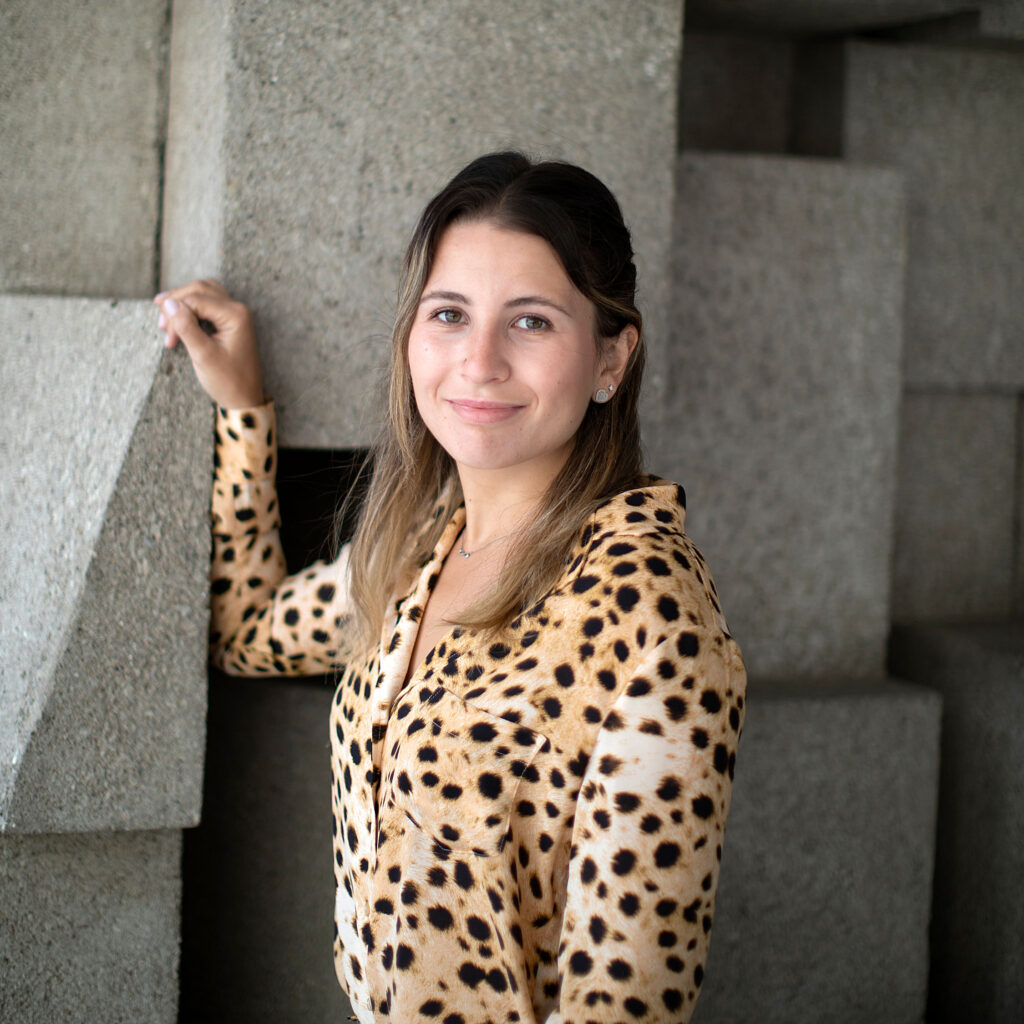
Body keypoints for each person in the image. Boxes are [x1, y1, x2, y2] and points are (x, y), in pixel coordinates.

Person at [156, 151, 746, 1024]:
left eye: (533, 322)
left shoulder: (652, 612)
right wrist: (244, 412)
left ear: (612, 359)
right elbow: (246, 630)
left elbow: (623, 1007)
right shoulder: (422, 541)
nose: (478, 362)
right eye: (449, 313)